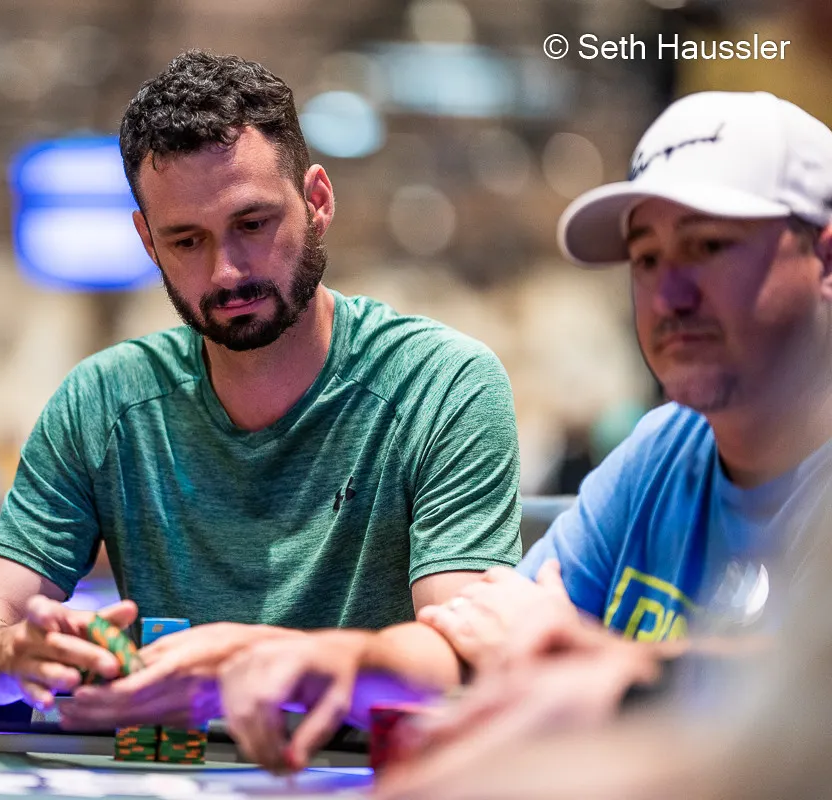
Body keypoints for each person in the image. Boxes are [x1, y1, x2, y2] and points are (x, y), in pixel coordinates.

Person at [219, 89, 832, 770]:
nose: (669, 297)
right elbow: (479, 638)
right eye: (647, 258)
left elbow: (807, 700)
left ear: (826, 260)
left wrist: (603, 662)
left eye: (709, 246)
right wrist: (341, 659)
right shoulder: (663, 450)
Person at [0, 50, 522, 726]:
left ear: (317, 202)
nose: (227, 272)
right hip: (168, 771)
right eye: (187, 241)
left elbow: (463, 657)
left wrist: (247, 661)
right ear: (147, 241)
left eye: (252, 224)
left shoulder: (441, 384)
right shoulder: (104, 402)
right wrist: (16, 654)